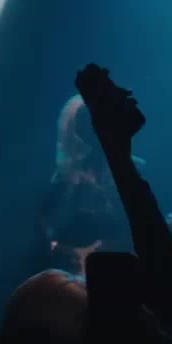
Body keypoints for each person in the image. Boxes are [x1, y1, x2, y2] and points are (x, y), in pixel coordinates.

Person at [39, 95, 143, 272]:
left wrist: (109, 247)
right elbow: (45, 217)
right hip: (74, 270)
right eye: (84, 125)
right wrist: (58, 247)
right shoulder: (68, 173)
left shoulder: (136, 171)